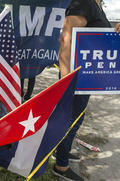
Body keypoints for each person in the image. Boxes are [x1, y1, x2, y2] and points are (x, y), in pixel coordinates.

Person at [54, 0, 111, 180]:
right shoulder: (84, 2)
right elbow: (66, 38)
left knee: (75, 118)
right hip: (74, 76)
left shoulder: (97, 5)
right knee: (71, 121)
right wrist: (65, 79)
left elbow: (99, 36)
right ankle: (61, 166)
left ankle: (61, 153)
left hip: (86, 75)